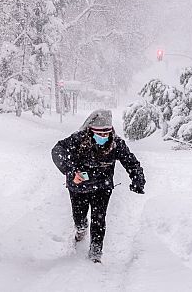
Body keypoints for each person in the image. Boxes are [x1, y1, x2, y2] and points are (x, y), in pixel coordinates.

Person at [51, 109, 145, 263]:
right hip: (79, 187)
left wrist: (138, 179)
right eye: (100, 132)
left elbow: (131, 162)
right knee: (79, 217)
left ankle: (96, 252)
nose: (103, 136)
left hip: (102, 186)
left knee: (99, 219)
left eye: (107, 132)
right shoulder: (78, 139)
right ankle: (81, 228)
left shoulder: (116, 144)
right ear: (91, 130)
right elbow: (57, 151)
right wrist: (71, 170)